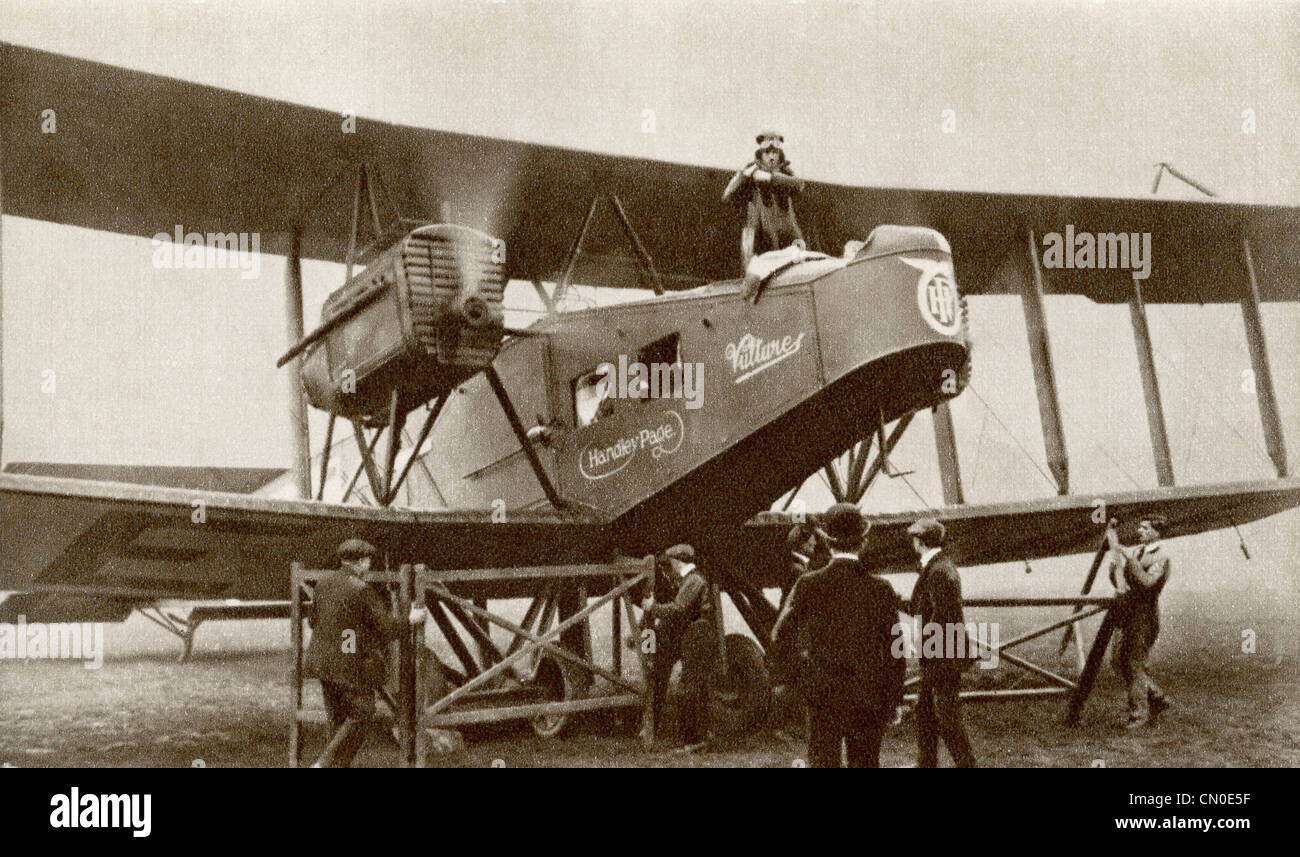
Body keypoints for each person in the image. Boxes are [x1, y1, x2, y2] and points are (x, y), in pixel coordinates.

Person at [771, 503, 905, 767]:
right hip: (869, 694)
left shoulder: (809, 583)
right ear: (863, 541)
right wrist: (894, 698)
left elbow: (781, 635)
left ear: (827, 541)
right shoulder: (882, 589)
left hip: (823, 694)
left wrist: (801, 677)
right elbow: (895, 648)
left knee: (823, 762)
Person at [304, 538, 427, 767]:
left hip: (321, 662)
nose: (369, 565)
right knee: (363, 713)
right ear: (361, 562)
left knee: (338, 720)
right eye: (368, 561)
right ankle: (322, 763)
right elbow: (388, 628)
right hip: (346, 664)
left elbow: (313, 621)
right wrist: (410, 620)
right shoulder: (362, 589)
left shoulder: (322, 584)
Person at [907, 517, 977, 768]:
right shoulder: (939, 566)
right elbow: (926, 607)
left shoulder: (938, 570)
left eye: (914, 539)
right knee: (924, 711)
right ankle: (926, 763)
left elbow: (941, 614)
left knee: (947, 719)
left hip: (942, 656)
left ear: (919, 542)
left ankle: (966, 765)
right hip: (941, 653)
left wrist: (922, 640)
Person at [641, 544, 717, 752]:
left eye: (671, 563)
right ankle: (700, 737)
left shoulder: (694, 580)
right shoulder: (689, 580)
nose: (670, 567)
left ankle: (694, 741)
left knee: (689, 689)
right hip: (695, 635)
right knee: (694, 687)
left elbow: (677, 609)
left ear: (677, 561)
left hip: (698, 635)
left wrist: (652, 608)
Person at [1106, 515, 1172, 728]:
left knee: (1133, 663)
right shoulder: (1138, 552)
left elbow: (1147, 583)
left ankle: (1139, 715)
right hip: (1128, 613)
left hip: (1144, 616)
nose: (1140, 531)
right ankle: (1157, 698)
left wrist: (1131, 561)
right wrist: (1114, 568)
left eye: (1145, 528)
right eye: (1140, 528)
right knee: (1118, 660)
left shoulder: (1161, 556)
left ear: (1156, 532)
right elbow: (1124, 580)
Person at [721, 131, 806, 269]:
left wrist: (771, 178)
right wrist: (745, 175)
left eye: (775, 152)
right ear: (761, 153)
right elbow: (727, 195)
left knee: (798, 246)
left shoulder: (786, 171)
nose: (771, 156)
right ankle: (749, 273)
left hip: (784, 224)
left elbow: (799, 185)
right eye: (767, 152)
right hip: (757, 225)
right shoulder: (751, 170)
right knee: (749, 243)